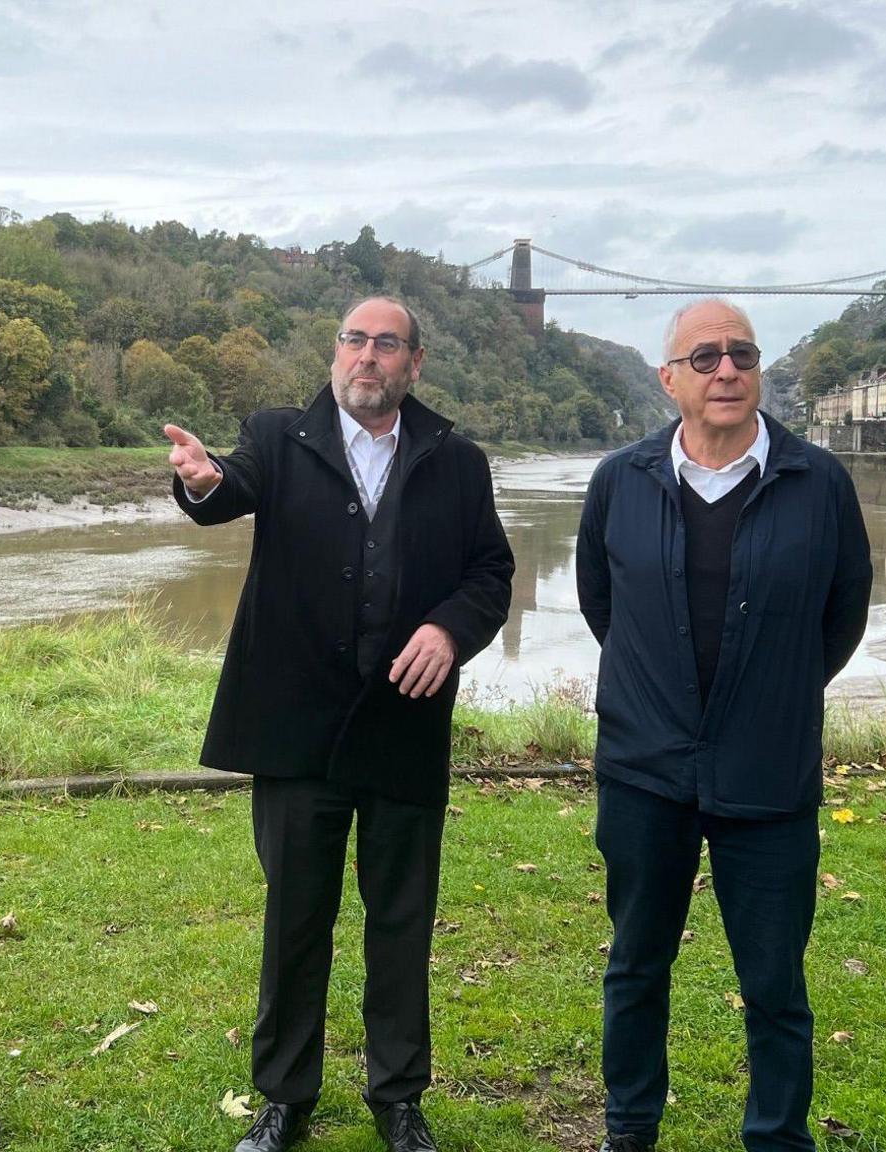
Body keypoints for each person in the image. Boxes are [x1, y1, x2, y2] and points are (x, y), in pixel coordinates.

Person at [165, 296, 514, 1152]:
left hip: (403, 724)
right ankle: (285, 1096)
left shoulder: (457, 460)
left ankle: (398, 1098)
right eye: (354, 341)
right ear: (335, 353)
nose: (366, 356)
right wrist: (200, 480)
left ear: (414, 364)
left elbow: (492, 571)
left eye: (385, 344)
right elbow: (226, 489)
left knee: (400, 919)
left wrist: (449, 630)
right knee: (296, 917)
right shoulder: (279, 437)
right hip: (296, 726)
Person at [574, 298, 872, 1152]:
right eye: (703, 358)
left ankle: (776, 1139)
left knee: (774, 980)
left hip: (769, 772)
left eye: (740, 354)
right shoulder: (618, 481)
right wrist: (658, 693)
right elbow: (606, 607)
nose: (726, 370)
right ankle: (629, 1130)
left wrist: (771, 693)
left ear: (760, 370)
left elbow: (840, 616)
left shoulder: (819, 484)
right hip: (644, 768)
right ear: (669, 380)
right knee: (636, 965)